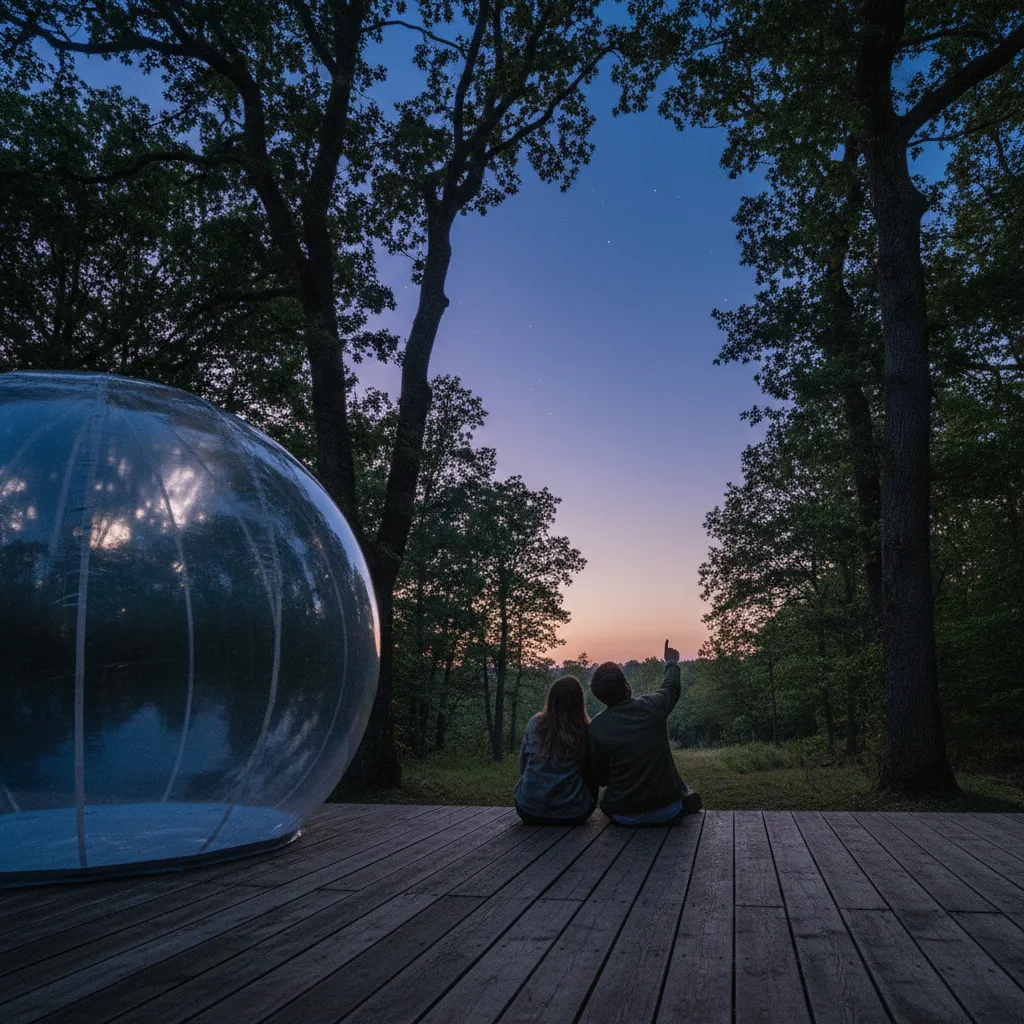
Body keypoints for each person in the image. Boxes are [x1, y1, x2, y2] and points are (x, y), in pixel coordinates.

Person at [587, 640, 702, 824]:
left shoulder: (596, 727)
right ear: (626, 685)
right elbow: (670, 687)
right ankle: (683, 800)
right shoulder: (652, 707)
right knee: (678, 788)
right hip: (667, 809)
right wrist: (671, 662)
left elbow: (600, 778)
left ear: (599, 696)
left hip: (622, 814)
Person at [514, 675, 598, 825]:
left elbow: (523, 766)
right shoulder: (585, 730)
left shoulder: (535, 724)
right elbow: (592, 774)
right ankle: (572, 800)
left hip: (528, 810)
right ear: (579, 702)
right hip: (573, 814)